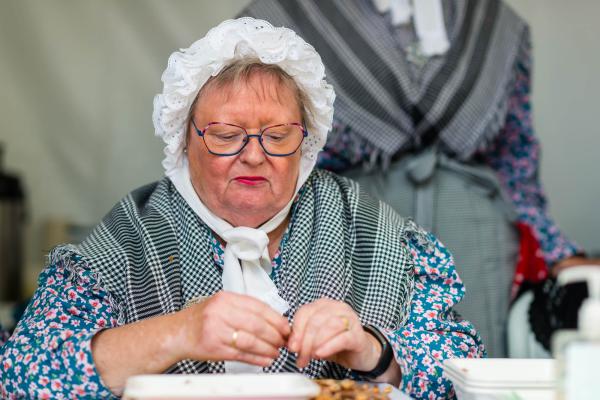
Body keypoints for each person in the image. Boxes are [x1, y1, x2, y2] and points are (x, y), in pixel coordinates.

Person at [0, 18, 483, 399]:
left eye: (277, 136)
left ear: (306, 143)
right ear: (184, 140)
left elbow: (466, 375)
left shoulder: (367, 228)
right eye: (228, 136)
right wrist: (176, 333)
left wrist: (372, 350)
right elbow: (23, 379)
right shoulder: (134, 235)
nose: (254, 155)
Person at [239, 0, 600, 357]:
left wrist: (558, 252)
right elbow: (255, 148)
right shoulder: (282, 16)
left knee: (471, 369)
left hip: (476, 239)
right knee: (355, 361)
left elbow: (516, 162)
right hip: (350, 230)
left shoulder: (493, 20)